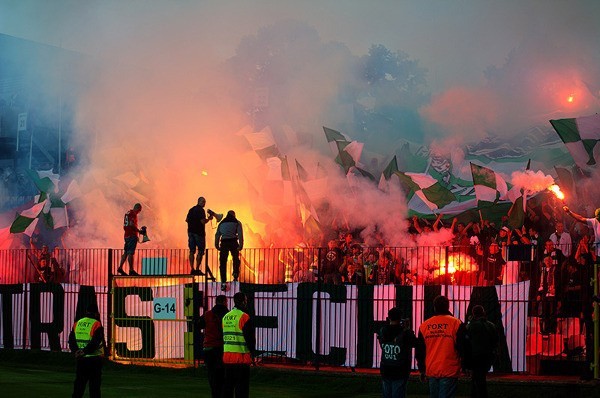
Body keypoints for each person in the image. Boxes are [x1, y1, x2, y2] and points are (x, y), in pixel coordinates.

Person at [416, 295, 464, 398]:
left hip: (432, 369)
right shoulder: (456, 323)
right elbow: (463, 347)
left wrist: (422, 369)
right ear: (448, 306)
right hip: (449, 369)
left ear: (434, 307)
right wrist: (466, 366)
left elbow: (420, 351)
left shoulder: (425, 325)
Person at [377, 307, 417, 398]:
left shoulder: (383, 330)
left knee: (386, 393)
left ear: (389, 317)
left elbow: (382, 343)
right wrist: (408, 329)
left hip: (385, 368)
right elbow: (414, 343)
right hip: (400, 369)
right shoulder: (404, 332)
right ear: (400, 318)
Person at [222, 292, 255, 398]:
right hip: (241, 358)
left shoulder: (226, 317)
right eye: (246, 300)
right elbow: (250, 339)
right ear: (243, 302)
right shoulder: (244, 317)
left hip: (227, 358)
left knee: (228, 388)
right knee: (242, 390)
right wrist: (252, 354)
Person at [68, 306, 106, 398]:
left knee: (79, 384)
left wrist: (76, 351)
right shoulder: (96, 324)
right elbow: (95, 342)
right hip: (94, 358)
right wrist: (84, 351)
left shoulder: (77, 323)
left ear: (86, 312)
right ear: (96, 314)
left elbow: (71, 339)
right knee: (94, 386)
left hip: (81, 359)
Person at [462, 305, 498, 398]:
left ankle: (479, 395)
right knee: (479, 378)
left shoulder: (470, 326)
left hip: (475, 357)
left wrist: (465, 362)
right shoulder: (491, 325)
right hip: (487, 357)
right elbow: (495, 342)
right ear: (483, 313)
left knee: (478, 379)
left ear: (473, 314)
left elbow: (466, 343)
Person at [197, 295, 228, 398]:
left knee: (212, 375)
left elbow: (199, 324)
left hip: (208, 348)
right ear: (224, 302)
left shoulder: (208, 314)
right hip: (221, 348)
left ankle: (215, 394)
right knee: (223, 375)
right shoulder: (227, 314)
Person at [215, 210, 244, 291]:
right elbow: (240, 234)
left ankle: (223, 282)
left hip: (224, 243)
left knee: (223, 262)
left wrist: (217, 245)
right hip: (233, 242)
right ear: (234, 215)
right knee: (235, 259)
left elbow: (217, 235)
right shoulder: (237, 222)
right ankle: (235, 274)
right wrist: (241, 245)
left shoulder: (221, 223)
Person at [186, 196, 214, 276]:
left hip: (191, 232)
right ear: (200, 202)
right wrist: (209, 219)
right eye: (203, 202)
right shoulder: (201, 210)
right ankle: (197, 269)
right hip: (199, 233)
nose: (204, 203)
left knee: (192, 251)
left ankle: (192, 269)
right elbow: (203, 221)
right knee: (200, 251)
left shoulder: (191, 209)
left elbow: (187, 220)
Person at [117, 203, 143, 276]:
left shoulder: (127, 213)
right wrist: (138, 231)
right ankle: (131, 270)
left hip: (126, 235)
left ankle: (120, 268)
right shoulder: (133, 214)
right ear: (137, 209)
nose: (139, 212)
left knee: (125, 252)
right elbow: (131, 224)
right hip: (131, 235)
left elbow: (127, 224)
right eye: (139, 210)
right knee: (130, 253)